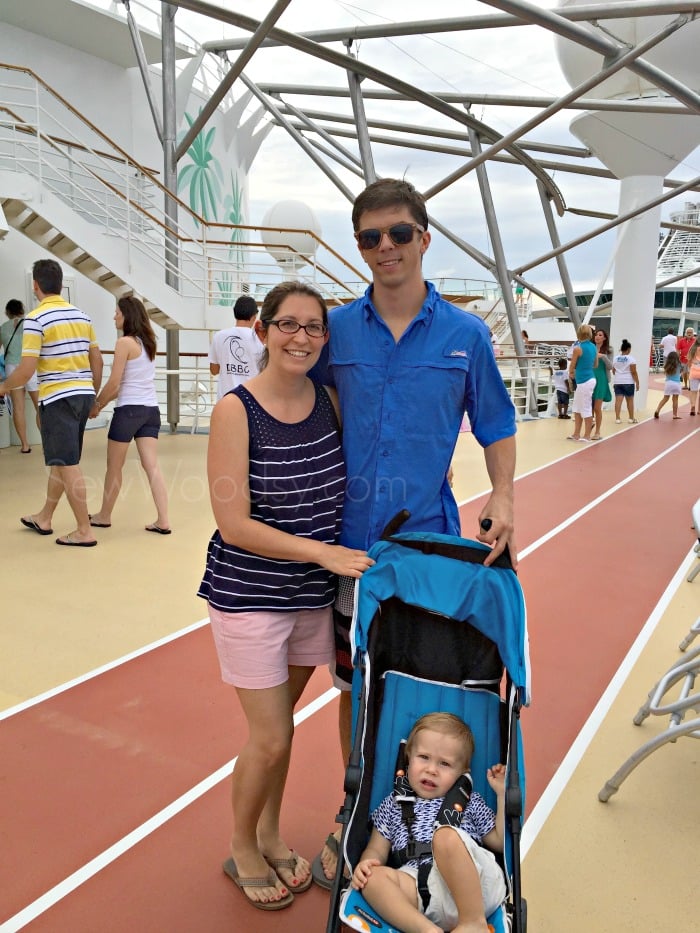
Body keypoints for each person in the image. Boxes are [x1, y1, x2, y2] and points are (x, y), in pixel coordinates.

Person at [310, 178, 516, 887]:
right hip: (348, 546)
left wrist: (506, 495)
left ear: (424, 237)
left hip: (429, 546)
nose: (385, 248)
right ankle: (354, 807)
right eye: (370, 237)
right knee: (354, 682)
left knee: (421, 677)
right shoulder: (335, 329)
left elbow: (496, 423)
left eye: (399, 233)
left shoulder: (465, 335)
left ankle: (425, 812)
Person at [198, 281, 374, 912]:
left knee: (284, 730)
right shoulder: (235, 411)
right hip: (250, 594)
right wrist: (323, 554)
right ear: (263, 331)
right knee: (269, 737)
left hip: (309, 597)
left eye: (314, 327)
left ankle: (271, 834)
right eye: (288, 325)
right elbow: (233, 523)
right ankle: (242, 846)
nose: (301, 338)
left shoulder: (329, 400)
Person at [351, 712, 506, 933]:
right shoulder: (393, 804)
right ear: (408, 758)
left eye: (444, 763)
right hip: (421, 892)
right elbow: (377, 848)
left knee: (444, 836)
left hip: (474, 887)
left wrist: (501, 795)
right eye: (423, 757)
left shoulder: (470, 801)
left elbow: (499, 842)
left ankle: (473, 924)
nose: (431, 769)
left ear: (462, 773)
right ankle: (426, 930)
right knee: (372, 880)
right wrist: (367, 864)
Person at [0, 259, 102, 546]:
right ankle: (45, 517)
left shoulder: (36, 319)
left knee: (68, 463)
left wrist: (4, 386)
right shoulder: (82, 316)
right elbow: (97, 359)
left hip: (58, 398)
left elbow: (27, 368)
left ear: (36, 285)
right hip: (82, 395)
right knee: (61, 460)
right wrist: (92, 394)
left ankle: (84, 530)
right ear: (59, 284)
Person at [88, 295, 170, 534]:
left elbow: (114, 384)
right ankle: (163, 520)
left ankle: (104, 516)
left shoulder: (124, 343)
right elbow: (126, 385)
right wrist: (102, 403)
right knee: (152, 466)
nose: (114, 316)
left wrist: (96, 405)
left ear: (127, 316)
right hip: (150, 411)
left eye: (118, 313)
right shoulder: (148, 343)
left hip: (128, 412)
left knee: (114, 467)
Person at [0, 299, 40, 453]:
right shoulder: (31, 324)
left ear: (7, 313)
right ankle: (47, 443)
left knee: (18, 408)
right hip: (29, 366)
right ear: (22, 310)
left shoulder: (3, 328)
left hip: (11, 367)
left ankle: (25, 445)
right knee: (39, 407)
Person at [208, 294, 262, 400]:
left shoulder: (219, 336)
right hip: (250, 401)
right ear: (254, 317)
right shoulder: (259, 340)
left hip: (225, 401)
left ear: (235, 313)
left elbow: (214, 370)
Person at [566, 323, 597, 443]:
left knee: (585, 408)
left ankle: (587, 435)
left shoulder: (578, 349)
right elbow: (595, 364)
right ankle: (576, 434)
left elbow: (572, 366)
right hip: (589, 378)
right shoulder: (594, 347)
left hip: (583, 381)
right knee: (578, 407)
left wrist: (572, 373)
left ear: (579, 334)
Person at [591, 328, 612, 440]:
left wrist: (603, 356)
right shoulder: (591, 348)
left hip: (602, 379)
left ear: (604, 338)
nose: (597, 336)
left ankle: (597, 432)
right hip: (590, 378)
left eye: (600, 335)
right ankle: (590, 424)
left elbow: (611, 366)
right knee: (589, 407)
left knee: (597, 407)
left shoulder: (609, 351)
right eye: (596, 334)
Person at [612, 339, 640, 423]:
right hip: (628, 382)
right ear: (628, 349)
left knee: (618, 400)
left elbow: (613, 370)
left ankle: (617, 418)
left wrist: (619, 375)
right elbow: (634, 372)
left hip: (618, 381)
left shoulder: (616, 358)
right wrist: (637, 382)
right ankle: (631, 418)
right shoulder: (631, 359)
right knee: (630, 401)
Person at [654, 350, 683, 420]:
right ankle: (675, 415)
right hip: (676, 383)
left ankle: (657, 410)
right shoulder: (679, 365)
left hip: (668, 383)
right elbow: (681, 372)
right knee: (675, 399)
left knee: (665, 398)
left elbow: (666, 374)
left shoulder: (666, 365)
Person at [687, 337, 700, 416]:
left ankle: (693, 406)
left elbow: (688, 361)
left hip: (693, 371)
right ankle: (699, 410)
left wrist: (691, 368)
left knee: (693, 391)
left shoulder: (692, 348)